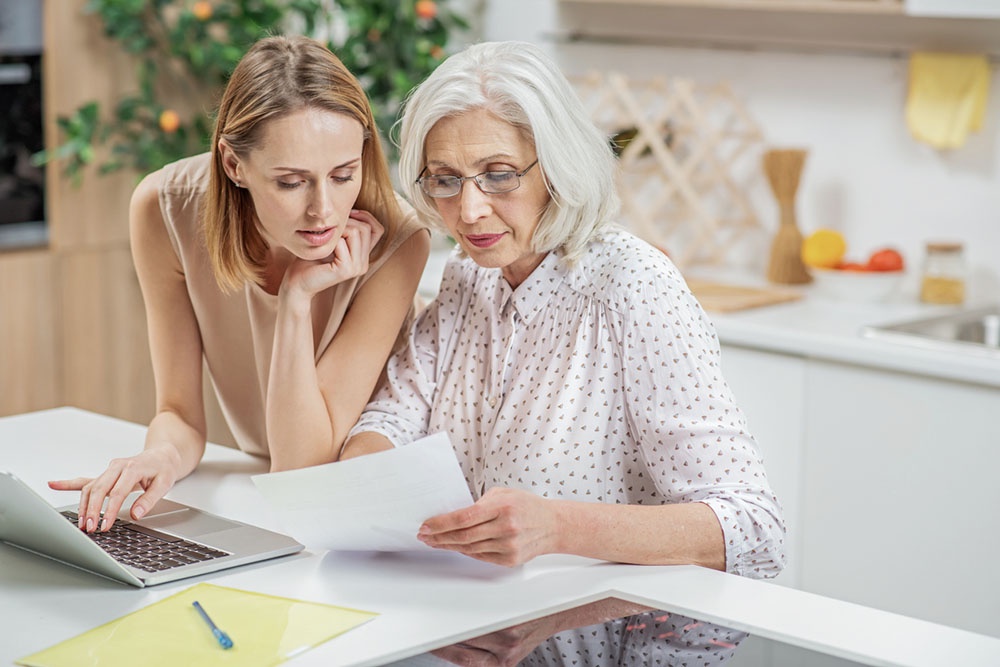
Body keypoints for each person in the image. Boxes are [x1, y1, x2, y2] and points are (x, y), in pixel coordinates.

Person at [342, 41, 785, 576]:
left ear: (556, 167)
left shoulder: (634, 286)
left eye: (499, 174)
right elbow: (395, 415)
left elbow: (754, 527)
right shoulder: (467, 274)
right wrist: (361, 475)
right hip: (478, 609)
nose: (469, 209)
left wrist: (557, 527)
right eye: (445, 179)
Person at [50, 35, 430, 533]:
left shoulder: (397, 241)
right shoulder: (166, 210)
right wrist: (161, 456)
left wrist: (296, 299)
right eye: (291, 182)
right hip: (266, 495)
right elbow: (179, 414)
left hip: (359, 509)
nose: (323, 210)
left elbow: (303, 472)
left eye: (343, 175)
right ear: (233, 164)